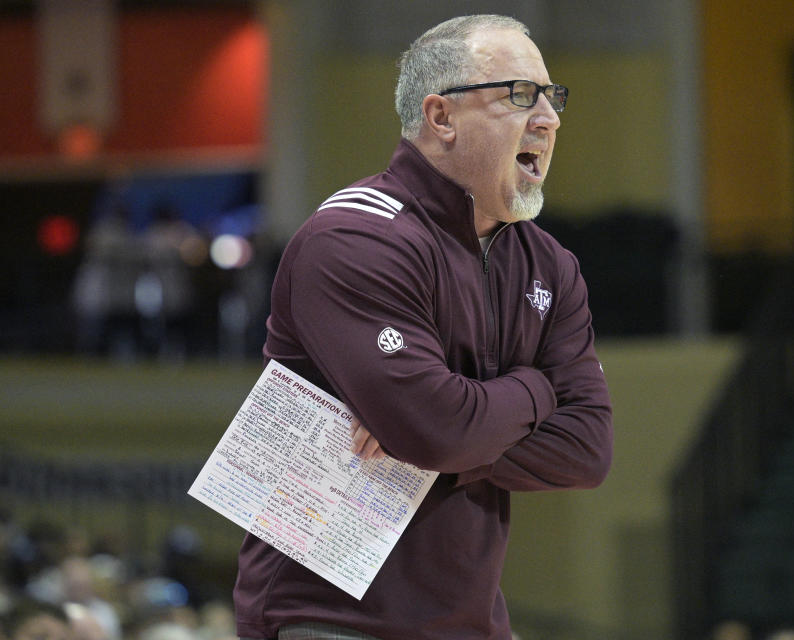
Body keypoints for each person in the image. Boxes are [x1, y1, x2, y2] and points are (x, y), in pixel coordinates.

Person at [232, 13, 614, 640]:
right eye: (520, 95)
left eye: (552, 97)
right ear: (441, 118)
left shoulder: (551, 264)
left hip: (471, 625)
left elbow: (587, 450)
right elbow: (433, 429)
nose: (548, 118)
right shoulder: (354, 238)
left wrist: (445, 435)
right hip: (325, 621)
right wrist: (537, 392)